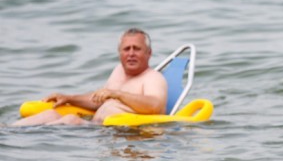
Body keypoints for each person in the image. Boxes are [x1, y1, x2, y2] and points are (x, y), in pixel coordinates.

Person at [12, 28, 167, 126]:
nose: (131, 53)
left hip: (119, 134)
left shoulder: (153, 78)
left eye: (137, 49)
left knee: (70, 120)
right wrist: (69, 98)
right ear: (120, 53)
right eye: (126, 49)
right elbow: (100, 99)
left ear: (149, 53)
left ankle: (23, 139)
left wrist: (117, 94)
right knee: (51, 113)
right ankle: (7, 130)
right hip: (96, 127)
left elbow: (154, 105)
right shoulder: (119, 71)